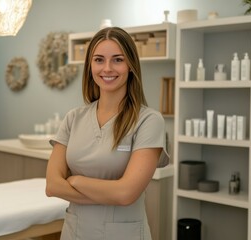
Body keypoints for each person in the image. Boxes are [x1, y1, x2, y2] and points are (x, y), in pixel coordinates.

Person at [45, 26, 169, 240]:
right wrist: (111, 193)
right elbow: (53, 186)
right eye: (99, 60)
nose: (107, 68)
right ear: (90, 66)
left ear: (131, 65)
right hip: (75, 233)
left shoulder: (148, 120)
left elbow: (126, 194)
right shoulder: (73, 118)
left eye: (118, 60)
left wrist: (75, 181)